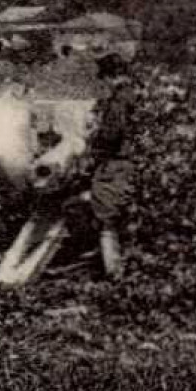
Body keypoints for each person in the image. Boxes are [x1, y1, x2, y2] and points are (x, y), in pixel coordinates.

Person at [85, 52, 136, 279]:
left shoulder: (117, 101)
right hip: (135, 161)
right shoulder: (137, 94)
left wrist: (92, 141)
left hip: (118, 164)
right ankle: (131, 269)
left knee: (107, 219)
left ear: (109, 77)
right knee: (127, 218)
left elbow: (111, 135)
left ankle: (114, 273)